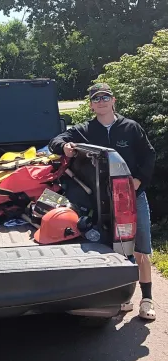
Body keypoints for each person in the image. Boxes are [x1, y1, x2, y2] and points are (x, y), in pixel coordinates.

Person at [49, 83, 156, 321]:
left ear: (113, 100)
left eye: (105, 97)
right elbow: (56, 141)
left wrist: (138, 181)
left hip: (132, 198)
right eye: (96, 98)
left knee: (141, 249)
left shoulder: (131, 128)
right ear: (91, 104)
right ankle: (122, 297)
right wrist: (63, 147)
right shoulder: (85, 129)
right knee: (113, 248)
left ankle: (146, 299)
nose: (101, 101)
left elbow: (149, 155)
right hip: (102, 202)